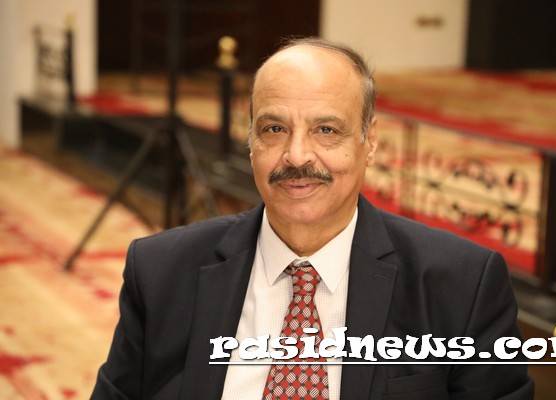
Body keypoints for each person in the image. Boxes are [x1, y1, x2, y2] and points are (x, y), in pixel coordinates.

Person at [91, 37, 533, 399]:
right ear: (250, 142)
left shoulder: (460, 287)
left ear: (370, 142)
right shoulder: (162, 272)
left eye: (326, 130)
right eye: (274, 129)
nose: (297, 156)